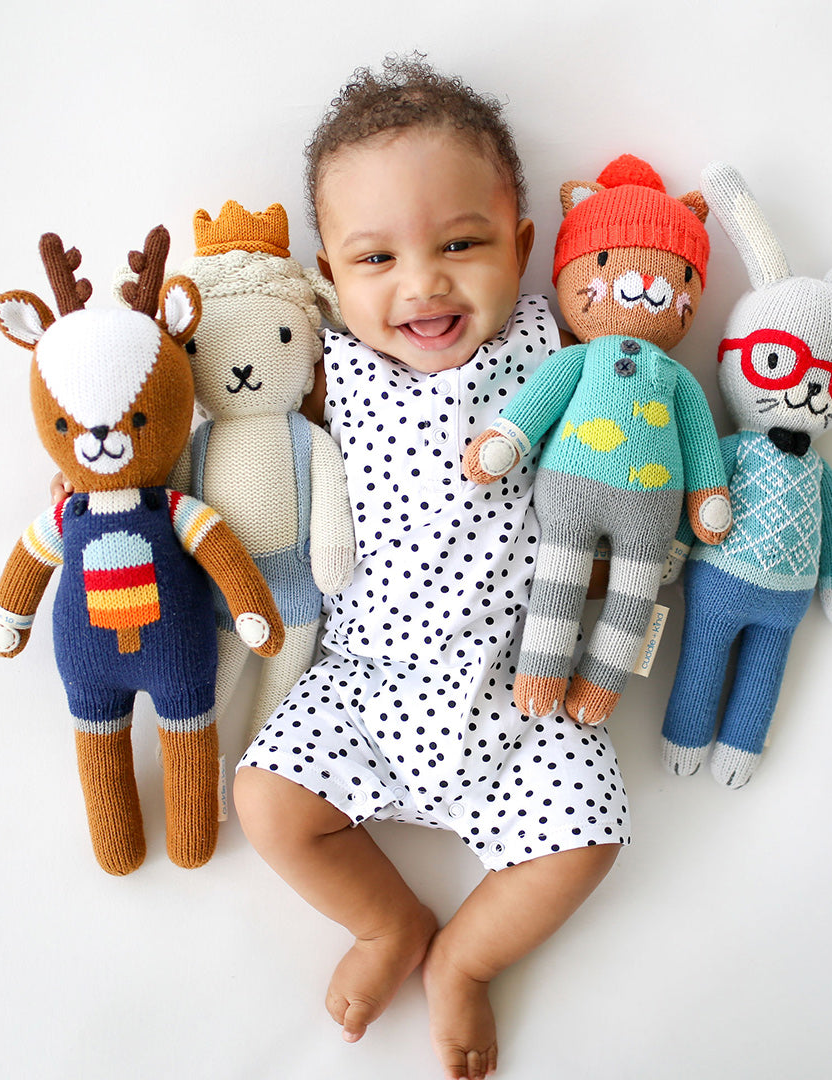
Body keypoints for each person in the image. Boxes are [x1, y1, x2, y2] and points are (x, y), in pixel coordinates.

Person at [232, 57, 629, 1080]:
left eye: (462, 243)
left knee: (586, 839)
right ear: (327, 273)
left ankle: (464, 959)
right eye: (375, 259)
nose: (423, 284)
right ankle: (388, 925)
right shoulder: (328, 364)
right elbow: (238, 424)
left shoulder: (554, 351)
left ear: (524, 247)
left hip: (522, 696)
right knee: (270, 804)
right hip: (367, 687)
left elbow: (632, 417)